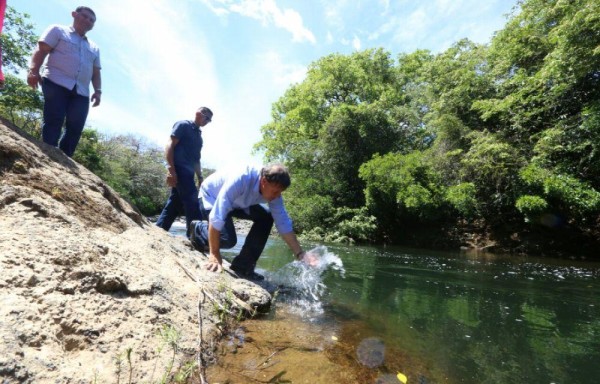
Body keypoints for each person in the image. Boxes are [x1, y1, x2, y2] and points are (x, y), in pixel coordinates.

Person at [190, 164, 313, 280]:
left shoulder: (274, 191)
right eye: (275, 192)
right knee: (228, 240)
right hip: (212, 196)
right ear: (264, 181)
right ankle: (198, 229)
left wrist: (300, 254)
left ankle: (243, 266)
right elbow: (217, 215)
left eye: (280, 192)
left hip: (239, 203)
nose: (277, 196)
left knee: (267, 217)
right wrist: (214, 255)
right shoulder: (241, 178)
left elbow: (283, 223)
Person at [26, 6, 101, 157]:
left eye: (91, 20)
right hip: (56, 82)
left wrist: (98, 91)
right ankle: (48, 152)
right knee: (54, 118)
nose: (88, 21)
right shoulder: (58, 30)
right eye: (85, 16)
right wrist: (33, 70)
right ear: (74, 14)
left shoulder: (94, 47)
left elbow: (96, 72)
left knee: (76, 126)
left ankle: (65, 158)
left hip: (81, 91)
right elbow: (41, 50)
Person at [156, 107, 213, 236]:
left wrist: (200, 177)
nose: (207, 121)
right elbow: (170, 144)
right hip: (179, 169)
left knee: (175, 202)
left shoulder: (199, 136)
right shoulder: (183, 125)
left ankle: (159, 230)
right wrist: (171, 169)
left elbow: (196, 159)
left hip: (189, 173)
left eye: (210, 120)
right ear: (198, 113)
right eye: (207, 117)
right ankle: (196, 237)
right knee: (192, 202)